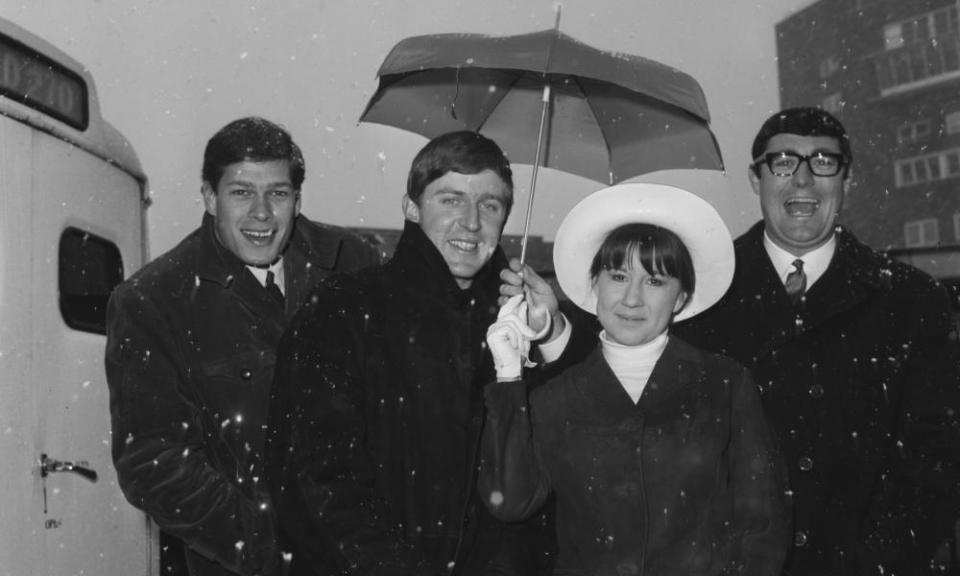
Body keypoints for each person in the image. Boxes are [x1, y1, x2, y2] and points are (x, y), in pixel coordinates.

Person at [264, 130, 567, 575]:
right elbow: (319, 477)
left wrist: (551, 338)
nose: (470, 222)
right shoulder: (344, 309)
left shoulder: (515, 323)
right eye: (450, 199)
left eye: (489, 205)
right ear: (411, 207)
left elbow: (556, 479)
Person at [674, 107, 960, 575]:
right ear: (756, 178)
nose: (803, 179)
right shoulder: (700, 295)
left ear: (846, 178)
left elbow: (936, 464)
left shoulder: (912, 302)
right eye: (783, 162)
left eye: (823, 162)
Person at [105, 117, 380, 576]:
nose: (261, 213)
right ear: (210, 198)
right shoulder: (154, 300)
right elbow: (153, 462)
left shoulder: (354, 265)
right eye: (241, 192)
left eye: (277, 193)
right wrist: (278, 548)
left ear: (297, 198)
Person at [479, 182, 791, 576]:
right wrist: (508, 374)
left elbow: (761, 526)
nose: (632, 298)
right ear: (594, 285)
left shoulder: (724, 384)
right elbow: (509, 501)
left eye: (655, 281)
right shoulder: (555, 396)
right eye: (619, 276)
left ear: (680, 298)